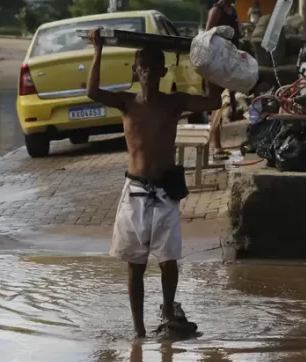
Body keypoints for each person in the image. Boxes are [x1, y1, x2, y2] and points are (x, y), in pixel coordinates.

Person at [85, 28, 223, 338]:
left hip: (164, 193)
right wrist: (98, 49)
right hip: (134, 192)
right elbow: (92, 92)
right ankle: (138, 330)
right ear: (135, 72)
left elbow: (213, 100)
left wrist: (206, 61)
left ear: (162, 71)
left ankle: (168, 313)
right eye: (141, 66)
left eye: (152, 66)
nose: (147, 72)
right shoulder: (126, 102)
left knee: (168, 260)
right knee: (135, 265)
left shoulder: (173, 103)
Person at [206, 0, 242, 161]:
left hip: (230, 61)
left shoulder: (232, 10)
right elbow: (207, 36)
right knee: (215, 104)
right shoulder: (216, 10)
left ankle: (227, 142)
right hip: (216, 62)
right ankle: (216, 145)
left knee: (231, 101)